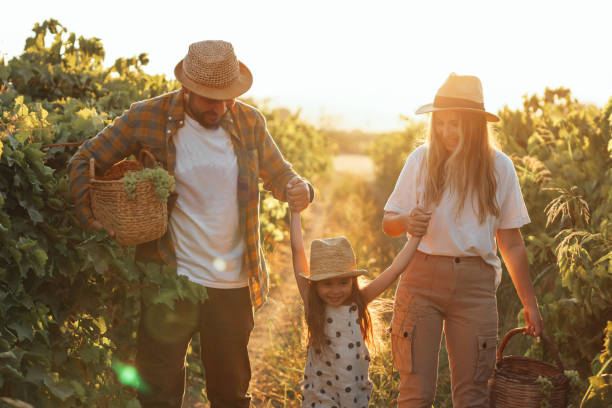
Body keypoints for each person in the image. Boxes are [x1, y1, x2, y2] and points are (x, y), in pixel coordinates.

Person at [68, 40, 313, 408]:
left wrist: (300, 188)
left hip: (232, 282)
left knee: (230, 396)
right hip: (170, 277)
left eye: (226, 98)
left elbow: (281, 174)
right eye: (208, 99)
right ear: (187, 88)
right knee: (158, 394)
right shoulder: (147, 116)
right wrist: (92, 217)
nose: (219, 108)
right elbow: (85, 159)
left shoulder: (250, 122)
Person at [382, 73, 543, 408]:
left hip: (475, 288)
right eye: (440, 123)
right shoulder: (421, 161)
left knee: (473, 396)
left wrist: (530, 304)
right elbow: (389, 223)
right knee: (415, 394)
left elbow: (510, 243)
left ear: (474, 124)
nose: (445, 132)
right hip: (420, 280)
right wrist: (406, 220)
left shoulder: (500, 168)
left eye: (454, 124)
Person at [289, 207, 421, 408]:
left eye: (343, 282)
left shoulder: (358, 302)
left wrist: (415, 237)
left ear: (352, 282)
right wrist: (295, 211)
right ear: (315, 285)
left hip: (354, 393)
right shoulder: (313, 304)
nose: (335, 291)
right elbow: (297, 250)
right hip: (320, 393)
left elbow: (395, 270)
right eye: (327, 283)